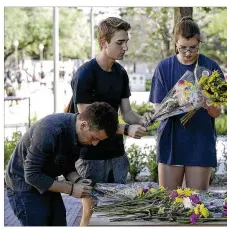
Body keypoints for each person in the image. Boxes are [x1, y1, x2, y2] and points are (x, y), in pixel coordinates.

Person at [70, 17, 151, 226]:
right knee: (91, 214)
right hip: (91, 156)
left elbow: (127, 112)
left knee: (117, 214)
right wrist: (126, 130)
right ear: (103, 42)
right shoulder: (85, 74)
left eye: (126, 42)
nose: (125, 47)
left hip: (117, 156)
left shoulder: (121, 73)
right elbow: (88, 122)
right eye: (119, 42)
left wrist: (144, 120)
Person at [5, 102, 119, 226]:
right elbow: (31, 175)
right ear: (83, 125)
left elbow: (65, 163)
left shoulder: (81, 135)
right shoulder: (49, 131)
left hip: (46, 178)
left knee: (59, 222)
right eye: (94, 138)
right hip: (23, 182)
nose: (94, 144)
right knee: (39, 222)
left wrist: (78, 180)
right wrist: (71, 189)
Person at [149, 17, 224, 191]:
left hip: (200, 140)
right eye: (183, 48)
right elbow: (158, 111)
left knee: (197, 202)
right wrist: (180, 100)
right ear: (175, 44)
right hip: (171, 140)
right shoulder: (164, 67)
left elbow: (217, 112)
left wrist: (206, 103)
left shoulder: (211, 67)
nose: (188, 53)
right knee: (168, 202)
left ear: (199, 43)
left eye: (193, 48)